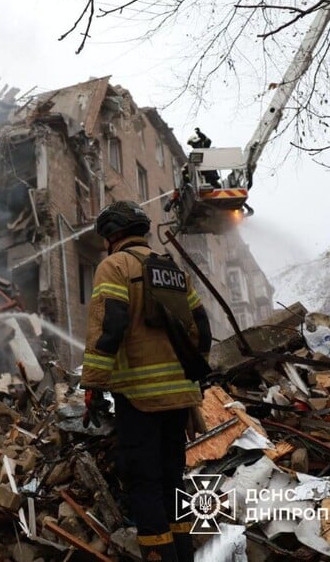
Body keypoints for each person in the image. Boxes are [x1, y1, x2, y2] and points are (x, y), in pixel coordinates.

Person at [81, 201, 212, 562]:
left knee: (143, 481)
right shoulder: (172, 269)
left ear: (113, 235)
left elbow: (111, 325)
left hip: (139, 397)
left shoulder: (114, 266)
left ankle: (159, 556)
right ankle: (182, 554)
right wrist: (192, 379)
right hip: (180, 398)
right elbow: (202, 329)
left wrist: (92, 384)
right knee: (173, 477)